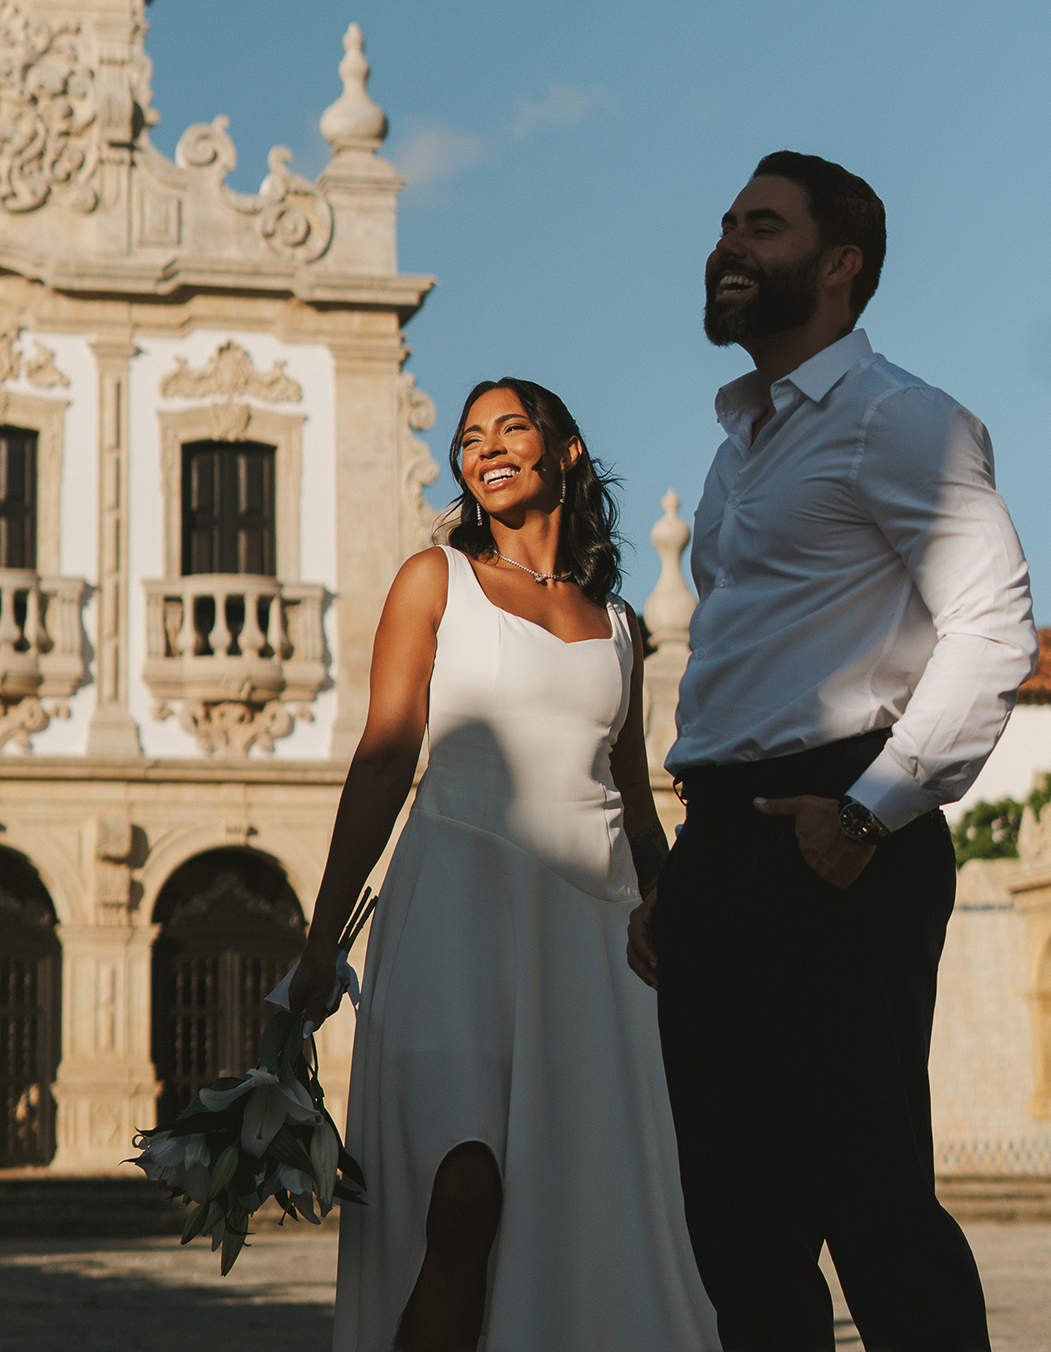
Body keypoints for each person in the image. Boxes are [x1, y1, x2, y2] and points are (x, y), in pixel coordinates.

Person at [628, 151, 1037, 1352]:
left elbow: (995, 625)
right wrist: (686, 874)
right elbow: (738, 664)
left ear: (841, 265)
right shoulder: (736, 447)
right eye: (726, 225)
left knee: (870, 1208)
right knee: (735, 1228)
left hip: (836, 838)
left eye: (763, 225)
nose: (728, 245)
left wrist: (867, 813)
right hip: (726, 847)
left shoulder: (902, 420)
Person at [289, 378, 718, 1352]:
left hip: (590, 939)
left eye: (510, 428)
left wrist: (670, 909)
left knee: (578, 1207)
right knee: (461, 1189)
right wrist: (322, 934)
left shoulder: (617, 626)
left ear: (563, 450)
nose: (485, 447)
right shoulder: (433, 580)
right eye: (470, 435)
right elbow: (386, 754)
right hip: (455, 918)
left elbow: (633, 801)